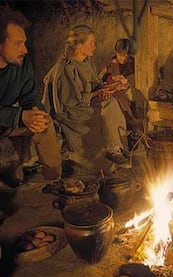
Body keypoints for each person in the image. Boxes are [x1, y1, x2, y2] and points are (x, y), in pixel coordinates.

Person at [42, 25, 130, 178]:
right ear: (79, 45)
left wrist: (114, 85)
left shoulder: (87, 63)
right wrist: (98, 93)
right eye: (91, 43)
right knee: (108, 107)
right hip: (71, 113)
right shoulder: (66, 69)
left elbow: (96, 86)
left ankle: (115, 149)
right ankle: (112, 149)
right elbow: (70, 102)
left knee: (112, 103)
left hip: (86, 104)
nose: (94, 47)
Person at [0, 7, 62, 186]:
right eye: (18, 43)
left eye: (24, 42)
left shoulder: (22, 63)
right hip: (8, 119)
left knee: (45, 123)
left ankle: (55, 181)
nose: (25, 49)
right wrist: (20, 116)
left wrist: (36, 112)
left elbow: (29, 95)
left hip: (7, 123)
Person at [99, 38, 144, 150]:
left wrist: (128, 83)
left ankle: (135, 135)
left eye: (126, 55)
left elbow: (139, 78)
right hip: (117, 95)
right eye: (121, 55)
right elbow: (101, 80)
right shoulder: (110, 64)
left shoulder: (133, 63)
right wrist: (113, 80)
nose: (123, 58)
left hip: (132, 95)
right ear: (116, 53)